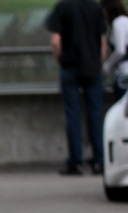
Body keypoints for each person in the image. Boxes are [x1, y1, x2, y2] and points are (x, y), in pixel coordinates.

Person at [47, 0, 108, 174]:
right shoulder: (95, 8)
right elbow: (102, 42)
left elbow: (56, 41)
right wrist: (99, 64)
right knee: (96, 114)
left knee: (73, 115)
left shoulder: (63, 7)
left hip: (71, 68)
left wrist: (61, 62)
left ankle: (76, 162)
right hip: (92, 69)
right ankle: (99, 161)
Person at [103, 0, 128, 102]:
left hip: (124, 73)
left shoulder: (118, 22)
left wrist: (107, 66)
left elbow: (120, 51)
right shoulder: (125, 20)